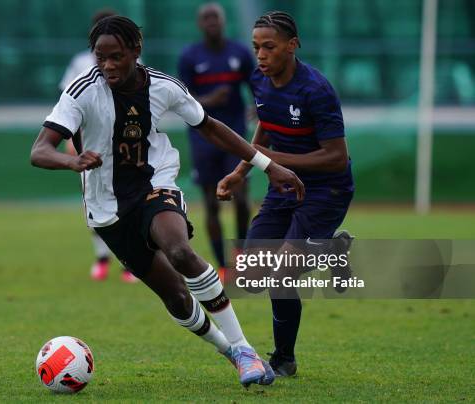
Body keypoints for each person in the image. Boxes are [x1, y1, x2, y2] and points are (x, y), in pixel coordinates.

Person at [31, 15, 305, 387]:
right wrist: (72, 160)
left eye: (117, 57)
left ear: (135, 51)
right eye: (101, 57)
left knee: (179, 251)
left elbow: (210, 126)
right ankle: (228, 350)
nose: (108, 66)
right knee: (175, 296)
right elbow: (39, 150)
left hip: (154, 184)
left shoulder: (162, 86)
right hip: (107, 209)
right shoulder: (81, 91)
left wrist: (265, 164)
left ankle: (245, 350)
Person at [217, 11, 354, 377]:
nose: (261, 55)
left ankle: (283, 359)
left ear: (292, 46)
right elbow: (266, 124)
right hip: (283, 186)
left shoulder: (316, 90)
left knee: (282, 275)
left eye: (270, 47)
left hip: (327, 189)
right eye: (256, 47)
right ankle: (330, 250)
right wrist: (240, 170)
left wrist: (270, 159)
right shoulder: (259, 81)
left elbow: (337, 156)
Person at [60, 9, 137, 283]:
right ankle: (102, 257)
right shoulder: (81, 64)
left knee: (130, 204)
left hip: (126, 145)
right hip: (90, 146)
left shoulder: (132, 60)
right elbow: (67, 104)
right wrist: (70, 140)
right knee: (93, 202)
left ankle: (131, 262)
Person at [178, 3, 254, 276]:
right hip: (203, 138)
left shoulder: (240, 53)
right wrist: (210, 100)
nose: (212, 22)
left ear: (224, 22)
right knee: (211, 203)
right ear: (200, 24)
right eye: (206, 18)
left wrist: (258, 107)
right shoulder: (189, 56)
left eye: (216, 17)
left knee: (242, 198)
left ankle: (241, 252)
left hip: (235, 136)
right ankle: (222, 265)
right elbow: (181, 100)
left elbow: (256, 85)